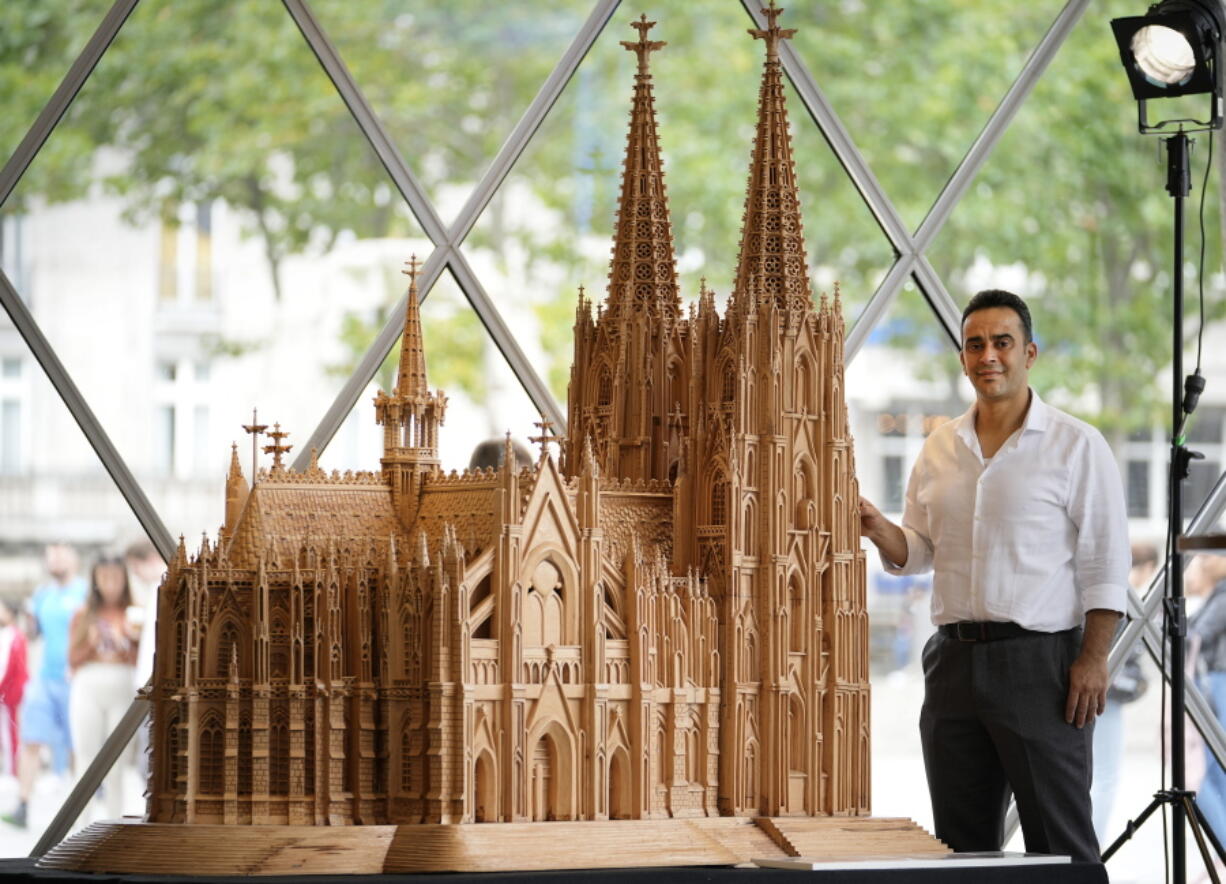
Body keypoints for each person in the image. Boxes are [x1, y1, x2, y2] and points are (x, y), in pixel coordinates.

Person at [859, 289, 1129, 863]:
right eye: (975, 344)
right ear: (962, 357)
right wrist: (877, 527)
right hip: (952, 666)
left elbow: (1105, 561)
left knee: (1061, 846)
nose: (989, 356)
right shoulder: (938, 446)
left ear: (1029, 353)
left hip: (1042, 668)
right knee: (961, 850)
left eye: (1002, 343)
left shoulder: (1077, 445)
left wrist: (1094, 658)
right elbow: (924, 549)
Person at [3, 543, 88, 828]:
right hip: (44, 678)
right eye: (50, 554)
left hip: (75, 679)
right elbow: (33, 633)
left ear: (73, 559)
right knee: (31, 740)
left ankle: (80, 809)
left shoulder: (85, 591)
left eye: (60, 553)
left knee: (78, 743)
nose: (54, 558)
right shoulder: (42, 594)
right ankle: (23, 806)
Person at [1090, 540, 1155, 843]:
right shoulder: (1120, 599)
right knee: (1105, 777)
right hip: (1106, 696)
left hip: (1096, 691)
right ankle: (1092, 849)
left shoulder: (1098, 590)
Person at [68, 556, 139, 823]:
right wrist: (91, 644)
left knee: (116, 763)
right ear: (95, 580)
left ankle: (113, 826)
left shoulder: (135, 614)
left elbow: (145, 661)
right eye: (104, 577)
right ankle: (79, 825)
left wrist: (129, 642)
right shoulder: (83, 614)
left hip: (122, 685)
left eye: (116, 578)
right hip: (89, 686)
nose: (110, 584)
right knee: (85, 758)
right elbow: (72, 659)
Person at [1188, 553, 1226, 841]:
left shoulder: (1223, 595)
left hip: (1217, 681)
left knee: (1209, 767)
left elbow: (1200, 634)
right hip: (1213, 681)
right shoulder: (1216, 594)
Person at [0, 598, 29, 778]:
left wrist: (2, 688)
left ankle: (12, 771)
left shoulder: (13, 636)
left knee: (10, 732)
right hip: (8, 690)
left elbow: (9, 667)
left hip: (10, 692)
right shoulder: (8, 635)